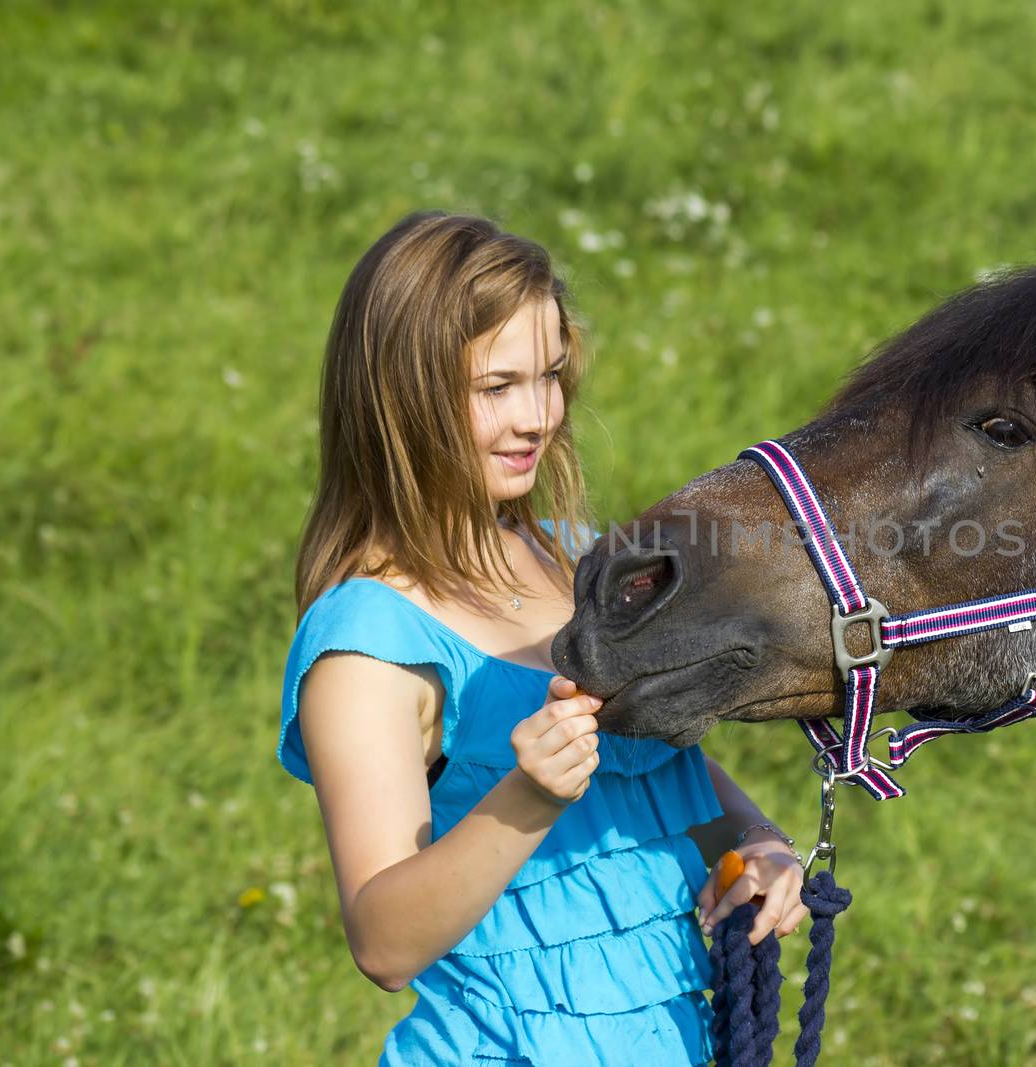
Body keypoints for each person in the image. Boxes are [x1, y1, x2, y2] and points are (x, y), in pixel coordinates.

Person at [276, 212, 804, 1065]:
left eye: (551, 375)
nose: (538, 417)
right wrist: (529, 795)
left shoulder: (572, 557)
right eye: (497, 387)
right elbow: (383, 942)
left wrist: (751, 849)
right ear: (399, 394)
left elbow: (661, 769)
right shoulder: (369, 645)